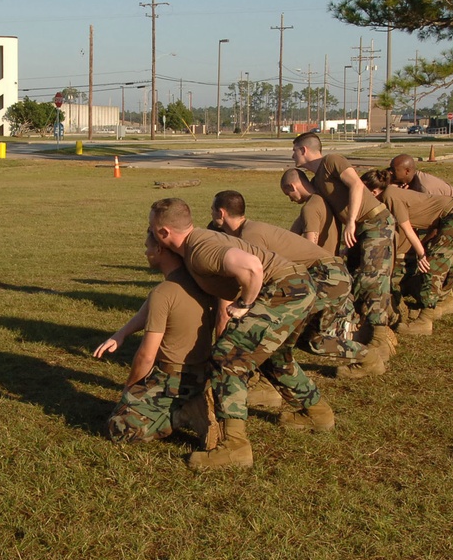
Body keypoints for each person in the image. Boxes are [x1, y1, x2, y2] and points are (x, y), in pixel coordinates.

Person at [149, 198, 336, 471]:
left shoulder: (201, 249)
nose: (149, 234)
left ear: (164, 232)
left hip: (285, 289)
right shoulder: (194, 245)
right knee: (273, 358)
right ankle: (318, 413)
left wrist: (245, 304)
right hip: (298, 286)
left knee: (228, 360)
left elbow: (251, 266)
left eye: (151, 229)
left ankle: (235, 448)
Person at [209, 190, 388, 378]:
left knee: (273, 326)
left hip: (325, 276)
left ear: (221, 213)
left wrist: (242, 305)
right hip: (331, 276)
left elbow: (256, 278)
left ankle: (264, 379)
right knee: (310, 339)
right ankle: (369, 359)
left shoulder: (250, 236)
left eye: (212, 209)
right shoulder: (251, 230)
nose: (211, 213)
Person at [93, 231, 218, 448]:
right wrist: (121, 334)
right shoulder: (197, 282)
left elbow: (146, 356)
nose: (146, 252)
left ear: (159, 249)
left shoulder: (164, 292)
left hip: (171, 378)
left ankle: (183, 415)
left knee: (118, 428)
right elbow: (151, 309)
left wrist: (129, 390)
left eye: (148, 247)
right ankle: (192, 405)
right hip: (202, 375)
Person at [291, 133, 396, 348]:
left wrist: (350, 221)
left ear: (303, 150)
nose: (292, 156)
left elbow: (356, 185)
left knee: (372, 278)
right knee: (354, 277)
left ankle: (380, 338)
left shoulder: (332, 161)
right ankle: (369, 326)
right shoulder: (317, 181)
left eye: (294, 151)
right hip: (359, 230)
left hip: (375, 222)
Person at [360, 170, 453, 335]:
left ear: (372, 191)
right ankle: (443, 302)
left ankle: (425, 321)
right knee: (439, 263)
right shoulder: (390, 194)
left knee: (434, 265)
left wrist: (422, 254)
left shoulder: (389, 195)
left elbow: (407, 229)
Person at [280, 167, 342, 256]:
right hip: (334, 259)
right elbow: (292, 234)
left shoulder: (310, 208)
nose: (291, 199)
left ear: (292, 186)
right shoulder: (323, 199)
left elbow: (310, 249)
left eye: (288, 194)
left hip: (321, 262)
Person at [389, 153, 453, 204]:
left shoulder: (425, 188)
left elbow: (433, 216)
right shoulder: (409, 180)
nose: (390, 172)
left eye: (393, 170)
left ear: (407, 171)